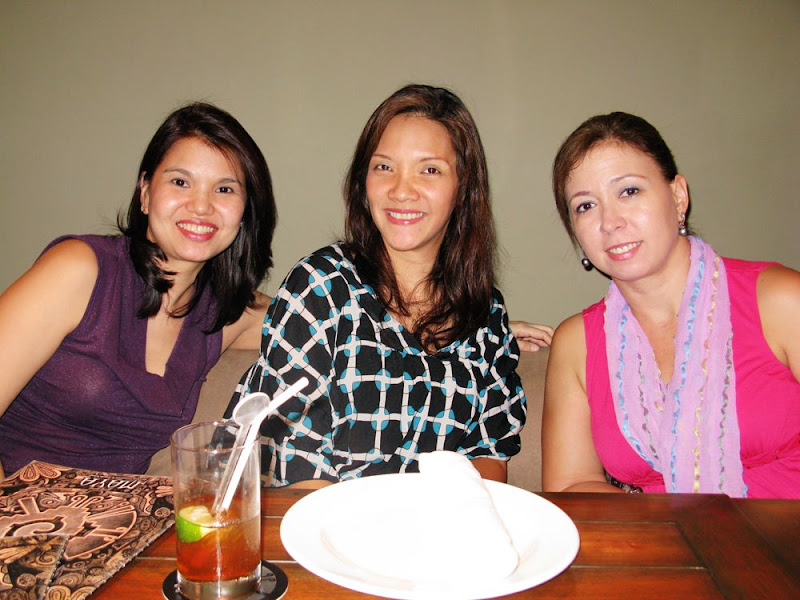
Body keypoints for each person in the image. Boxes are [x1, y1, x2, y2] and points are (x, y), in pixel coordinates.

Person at [228, 84, 534, 487]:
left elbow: (488, 453)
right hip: (319, 521)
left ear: (463, 188)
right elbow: (296, 466)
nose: (401, 190)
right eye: (384, 167)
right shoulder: (321, 288)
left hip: (440, 524)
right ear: (363, 182)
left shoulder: (487, 314)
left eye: (429, 170)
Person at [0, 103, 277, 479]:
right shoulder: (79, 270)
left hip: (128, 514)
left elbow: (323, 322)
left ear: (245, 212)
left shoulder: (226, 315)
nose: (201, 206)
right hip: (20, 507)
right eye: (180, 182)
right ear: (145, 193)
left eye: (224, 189)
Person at [542, 112, 800, 498]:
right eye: (585, 206)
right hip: (660, 537)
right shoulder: (577, 343)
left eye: (629, 191)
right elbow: (571, 487)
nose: (610, 222)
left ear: (678, 196)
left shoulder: (779, 300)